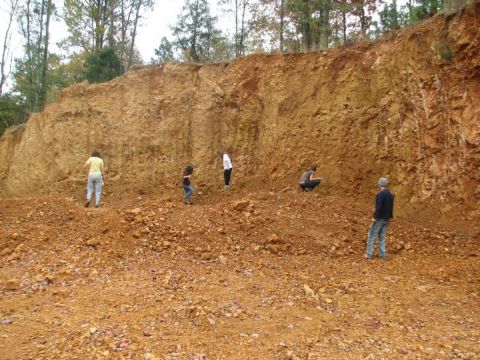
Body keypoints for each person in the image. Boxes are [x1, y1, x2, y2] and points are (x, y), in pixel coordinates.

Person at [366, 177, 394, 260]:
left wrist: (374, 217)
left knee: (371, 235)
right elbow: (389, 206)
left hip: (379, 218)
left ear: (379, 184)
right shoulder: (390, 194)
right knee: (381, 236)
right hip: (387, 218)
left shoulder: (380, 194)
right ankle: (382, 254)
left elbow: (378, 207)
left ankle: (369, 254)